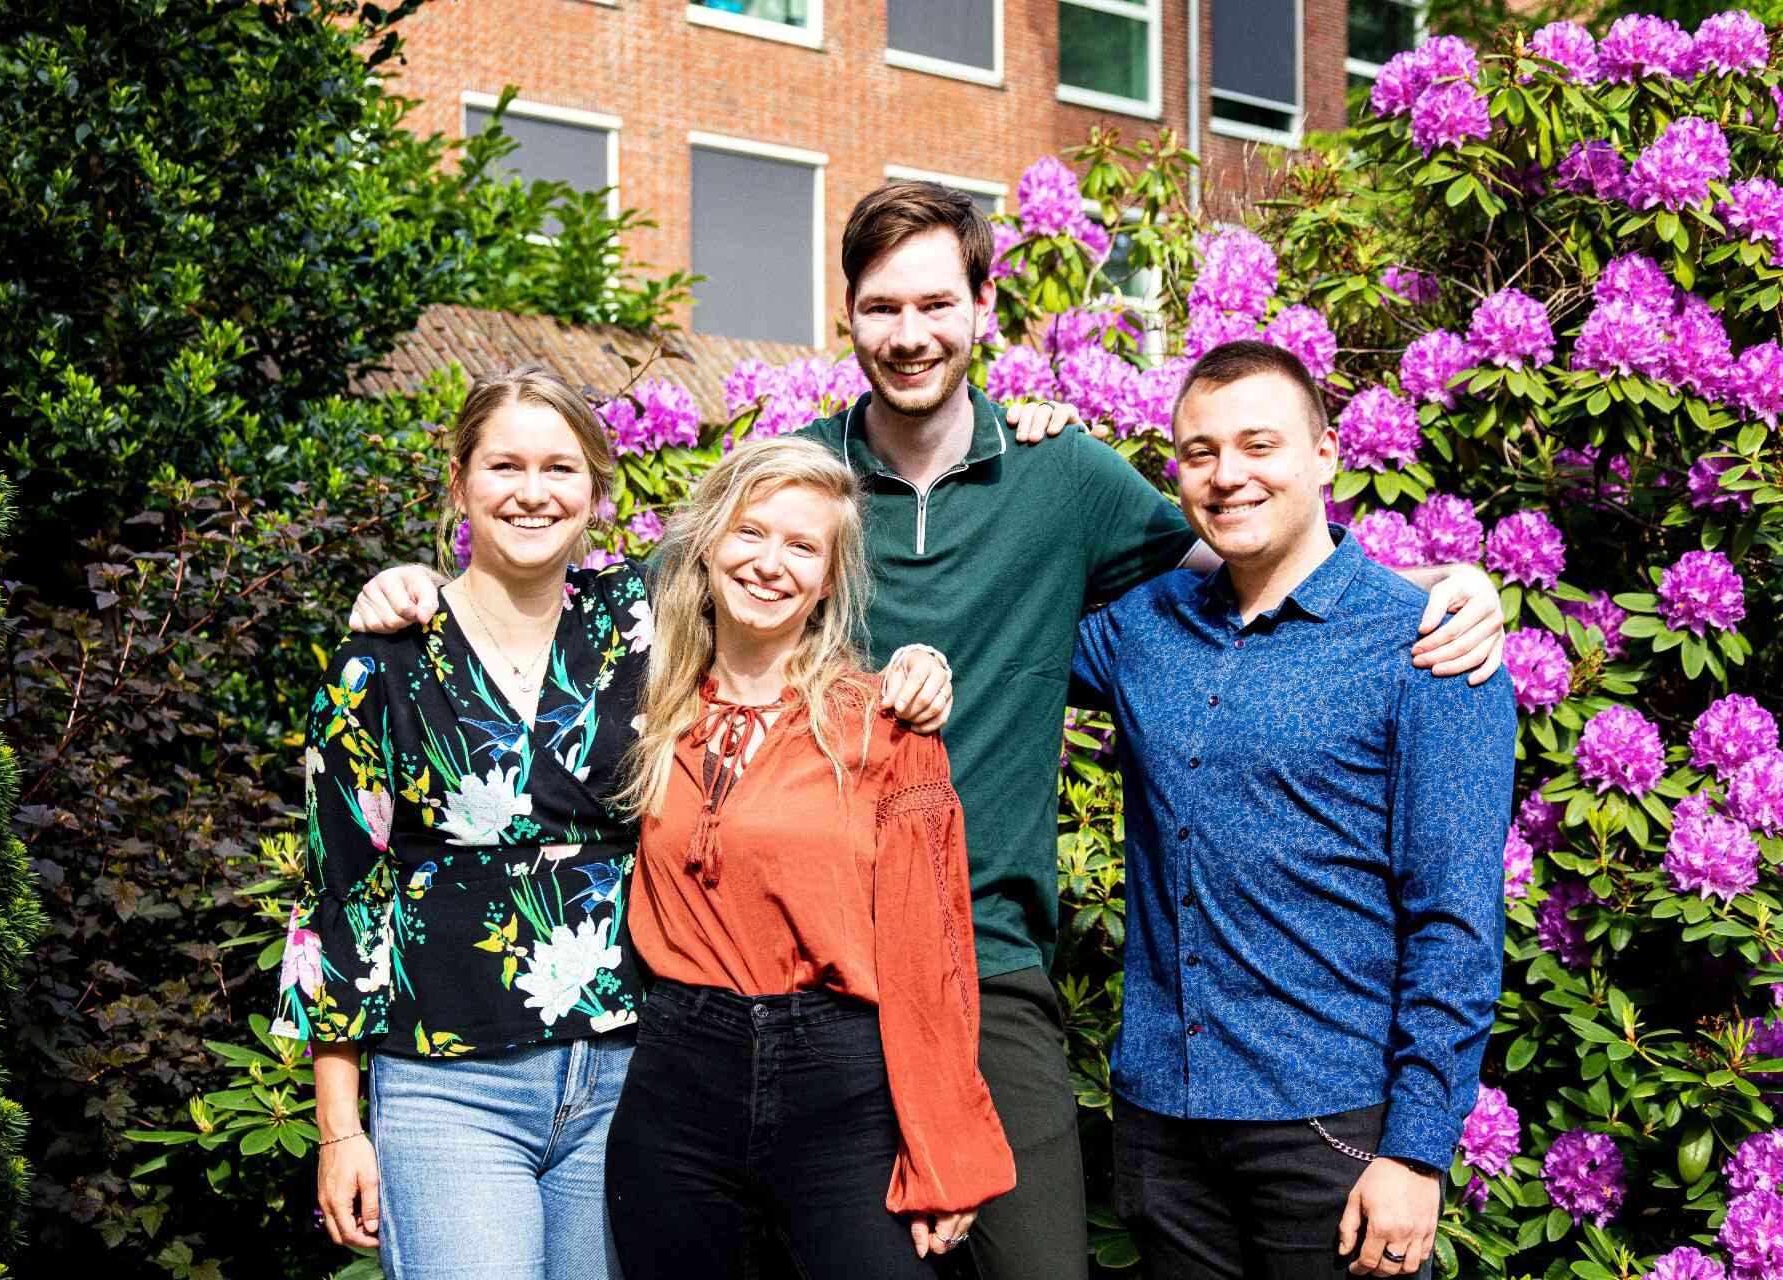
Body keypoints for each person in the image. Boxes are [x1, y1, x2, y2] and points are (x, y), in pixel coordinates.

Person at [346, 182, 1509, 1280]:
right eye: (883, 306)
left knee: (1034, 1260)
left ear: (982, 310)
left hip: (985, 961)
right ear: (845, 314)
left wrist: (1432, 591)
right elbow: (613, 606)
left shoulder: (1068, 479)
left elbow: (1247, 561)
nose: (911, 332)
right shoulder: (796, 478)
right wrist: (420, 593)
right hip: (784, 978)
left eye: (937, 303)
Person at [271, 367, 955, 1280]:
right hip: (451, 1084)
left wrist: (916, 664)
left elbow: (779, 626)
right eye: (504, 465)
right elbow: (338, 895)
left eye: (560, 469)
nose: (531, 492)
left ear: (597, 491)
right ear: (460, 479)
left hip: (628, 1076)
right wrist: (340, 1128)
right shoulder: (382, 664)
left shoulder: (635, 629)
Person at [1070, 340, 1517, 1279]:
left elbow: (1457, 919)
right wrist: (1028, 445)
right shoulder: (1142, 630)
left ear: (1325, 454)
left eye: (1258, 445)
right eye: (1200, 452)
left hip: (1335, 1133)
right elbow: (1001, 635)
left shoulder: (1427, 648)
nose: (1228, 475)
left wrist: (1415, 1150)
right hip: (1164, 1129)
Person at [603, 436, 1014, 1278]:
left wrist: (945, 1152)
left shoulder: (885, 726)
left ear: (829, 580)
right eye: (750, 533)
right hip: (678, 1081)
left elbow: (929, 950)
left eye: (802, 546)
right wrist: (420, 589)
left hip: (842, 1086)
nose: (769, 563)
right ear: (709, 545)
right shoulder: (641, 707)